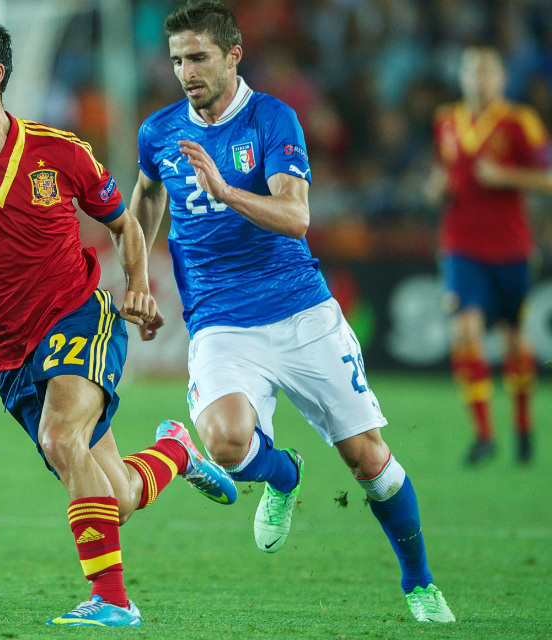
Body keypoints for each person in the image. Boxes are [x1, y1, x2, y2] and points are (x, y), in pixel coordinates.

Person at [0, 17, 236, 627]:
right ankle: (176, 451)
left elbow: (124, 224)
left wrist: (136, 286)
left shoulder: (62, 151)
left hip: (78, 317)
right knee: (119, 497)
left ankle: (112, 601)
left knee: (61, 439)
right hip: (7, 355)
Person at [129, 2, 454, 623]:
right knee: (224, 443)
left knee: (366, 458)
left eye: (197, 57)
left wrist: (226, 192)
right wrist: (140, 280)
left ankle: (418, 582)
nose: (185, 71)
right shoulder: (159, 131)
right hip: (221, 320)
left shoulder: (273, 119)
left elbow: (297, 217)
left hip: (301, 312)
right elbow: (146, 198)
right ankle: (284, 475)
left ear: (233, 55)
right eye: (176, 60)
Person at [429, 46, 552, 466]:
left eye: (486, 70)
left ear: (502, 77)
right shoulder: (446, 121)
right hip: (460, 245)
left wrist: (507, 176)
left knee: (515, 342)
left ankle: (522, 425)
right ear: (462, 76)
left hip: (511, 248)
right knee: (465, 332)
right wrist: (436, 188)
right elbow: (444, 172)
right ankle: (484, 434)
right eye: (471, 70)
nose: (478, 78)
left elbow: (548, 178)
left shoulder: (522, 122)